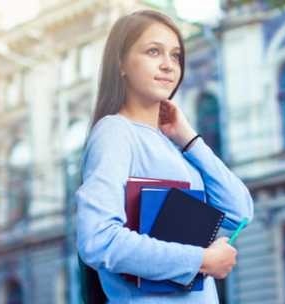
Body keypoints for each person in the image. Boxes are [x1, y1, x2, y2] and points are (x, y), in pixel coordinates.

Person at [75, 9, 254, 303]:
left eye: (176, 56)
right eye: (153, 51)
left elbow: (240, 213)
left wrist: (189, 138)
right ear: (120, 63)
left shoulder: (175, 144)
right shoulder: (115, 132)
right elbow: (98, 239)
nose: (168, 66)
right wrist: (200, 260)